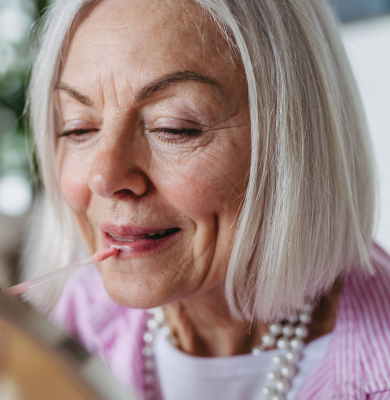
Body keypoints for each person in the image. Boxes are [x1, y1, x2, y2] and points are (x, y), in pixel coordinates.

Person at [22, 0, 390, 399]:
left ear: (293, 140)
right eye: (79, 129)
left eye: (174, 128)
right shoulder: (75, 322)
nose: (105, 177)